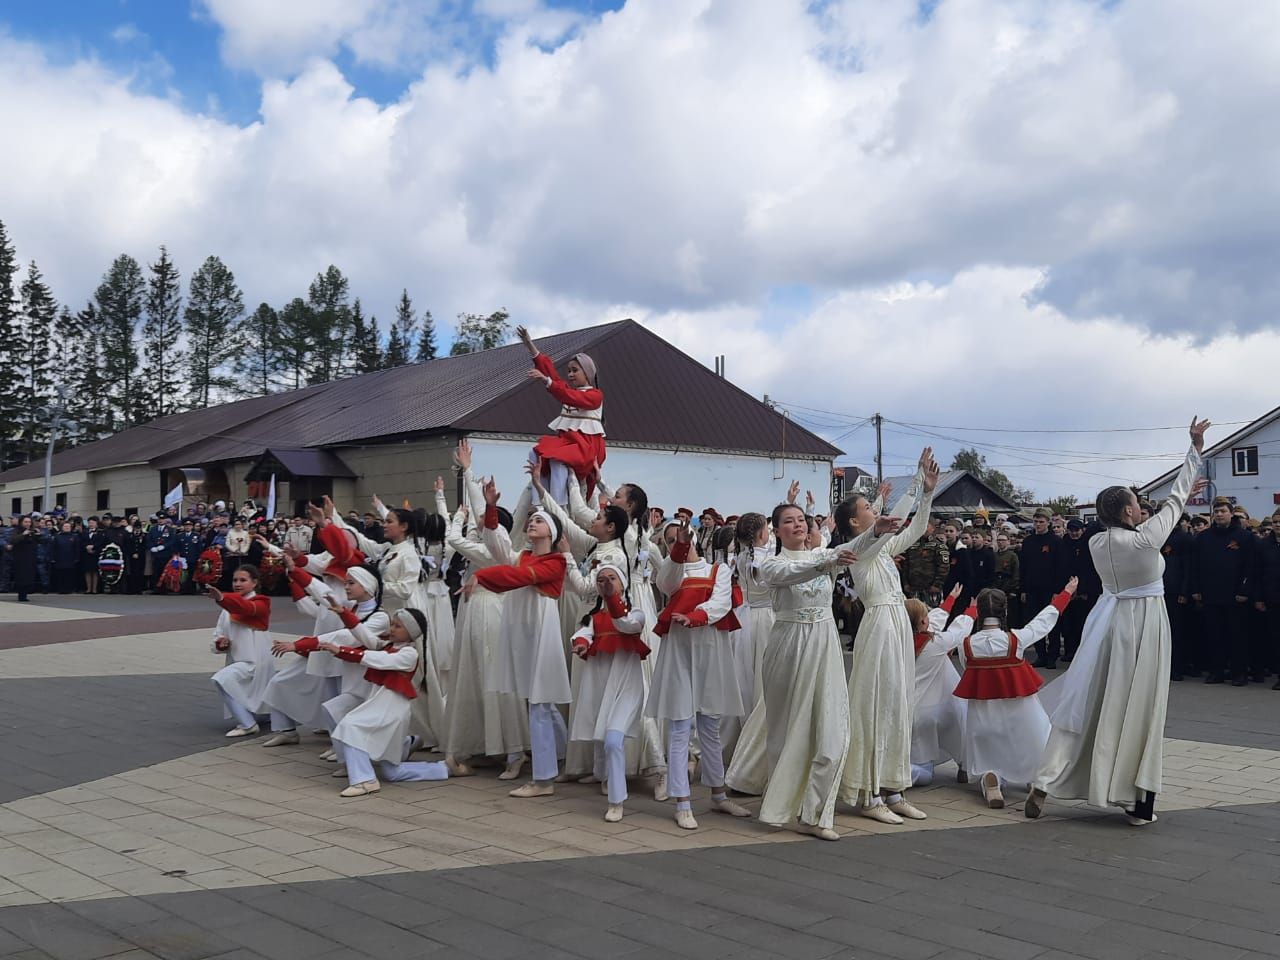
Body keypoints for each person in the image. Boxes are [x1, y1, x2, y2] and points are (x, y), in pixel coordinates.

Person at [1029, 417, 1209, 826]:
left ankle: (1047, 777)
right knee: (1141, 705)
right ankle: (1136, 800)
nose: (1141, 507)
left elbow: (1164, 511)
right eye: (1136, 502)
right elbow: (1176, 501)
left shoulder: (1096, 540)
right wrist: (1194, 450)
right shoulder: (1146, 539)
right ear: (1129, 510)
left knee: (1092, 699)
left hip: (1107, 624)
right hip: (1144, 625)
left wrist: (1170, 503)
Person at [833, 447, 939, 824]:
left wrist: (926, 494)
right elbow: (890, 524)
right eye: (867, 509)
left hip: (896, 624)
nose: (875, 511)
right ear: (855, 523)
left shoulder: (880, 548)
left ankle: (894, 789)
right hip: (878, 625)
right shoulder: (855, 550)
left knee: (897, 705)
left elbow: (912, 529)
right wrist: (914, 483)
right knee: (875, 706)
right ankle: (868, 793)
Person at [751, 503, 866, 840]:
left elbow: (860, 546)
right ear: (776, 530)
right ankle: (781, 805)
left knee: (832, 731)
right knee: (785, 733)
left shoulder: (827, 556)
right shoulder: (771, 564)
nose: (798, 525)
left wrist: (879, 527)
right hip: (787, 647)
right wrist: (827, 559)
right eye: (789, 521)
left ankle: (815, 814)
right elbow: (790, 575)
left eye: (802, 519)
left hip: (825, 643)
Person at [466, 479, 570, 798]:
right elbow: (497, 546)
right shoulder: (522, 554)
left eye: (539, 520)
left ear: (551, 532)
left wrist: (480, 575)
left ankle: (543, 780)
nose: (532, 523)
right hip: (522, 626)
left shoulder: (555, 561)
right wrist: (491, 508)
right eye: (530, 519)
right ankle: (567, 760)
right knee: (539, 701)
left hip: (540, 626)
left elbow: (520, 578)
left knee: (538, 702)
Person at [648, 518, 751, 829]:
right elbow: (667, 583)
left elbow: (721, 603)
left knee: (710, 722)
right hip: (679, 650)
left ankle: (718, 794)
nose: (678, 540)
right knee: (680, 724)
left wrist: (694, 617)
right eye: (670, 539)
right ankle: (682, 800)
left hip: (710, 647)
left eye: (681, 536)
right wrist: (677, 549)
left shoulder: (716, 570)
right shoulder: (671, 570)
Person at [435, 459, 529, 780]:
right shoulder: (489, 544)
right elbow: (481, 508)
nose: (478, 524)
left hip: (491, 613)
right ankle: (486, 743)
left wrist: (462, 517)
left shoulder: (497, 549)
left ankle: (514, 749)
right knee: (473, 676)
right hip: (473, 611)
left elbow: (461, 536)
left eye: (484, 522)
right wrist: (467, 471)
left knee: (494, 676)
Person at [953, 581, 1076, 808]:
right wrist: (1065, 595)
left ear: (980, 612)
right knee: (1032, 741)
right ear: (1005, 611)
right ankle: (1033, 778)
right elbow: (1043, 623)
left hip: (983, 712)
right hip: (1019, 710)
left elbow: (966, 666)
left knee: (988, 747)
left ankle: (992, 778)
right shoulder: (1016, 640)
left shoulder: (966, 645)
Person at [312, 608, 443, 797]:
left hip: (391, 708)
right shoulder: (387, 645)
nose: (392, 628)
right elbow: (363, 634)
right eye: (392, 624)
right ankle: (443, 768)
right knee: (393, 773)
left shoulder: (409, 654)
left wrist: (340, 650)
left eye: (398, 626)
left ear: (412, 631)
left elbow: (379, 659)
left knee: (351, 725)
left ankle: (365, 780)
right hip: (382, 706)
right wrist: (344, 613)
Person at [568, 562, 649, 822]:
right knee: (605, 740)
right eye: (602, 579)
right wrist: (581, 645)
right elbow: (583, 634)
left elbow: (628, 626)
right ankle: (610, 787)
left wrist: (613, 598)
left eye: (612, 578)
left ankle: (616, 801)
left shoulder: (636, 612)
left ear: (623, 583)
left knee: (613, 740)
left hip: (626, 687)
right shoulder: (593, 618)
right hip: (602, 687)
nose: (606, 582)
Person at [516, 324, 605, 506]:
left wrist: (546, 381)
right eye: (569, 371)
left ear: (587, 373)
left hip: (586, 446)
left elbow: (565, 393)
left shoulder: (595, 395)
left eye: (575, 370)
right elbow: (552, 374)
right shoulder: (568, 390)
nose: (570, 374)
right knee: (536, 453)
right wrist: (531, 347)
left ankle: (558, 506)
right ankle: (539, 503)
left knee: (557, 460)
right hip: (569, 442)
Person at [905, 585, 972, 788]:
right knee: (959, 718)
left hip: (906, 710)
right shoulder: (936, 643)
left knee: (918, 754)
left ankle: (904, 769)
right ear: (924, 621)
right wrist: (972, 610)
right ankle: (964, 764)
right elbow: (958, 631)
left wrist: (950, 599)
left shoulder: (897, 641)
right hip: (934, 710)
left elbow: (935, 619)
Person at [1190, 495, 1254, 685]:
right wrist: (1196, 589)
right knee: (1214, 636)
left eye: (1223, 511)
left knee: (1237, 637)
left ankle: (1238, 673)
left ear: (1231, 513)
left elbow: (1250, 567)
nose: (1219, 515)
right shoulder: (1203, 538)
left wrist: (1244, 590)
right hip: (1210, 595)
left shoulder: (1244, 537)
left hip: (1235, 596)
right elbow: (1196, 566)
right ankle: (1216, 671)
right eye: (1216, 511)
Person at [207, 564, 274, 738]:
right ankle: (265, 717)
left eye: (243, 580)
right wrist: (221, 642)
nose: (237, 583)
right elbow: (218, 634)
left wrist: (222, 598)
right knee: (237, 685)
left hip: (256, 660)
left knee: (222, 679)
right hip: (238, 659)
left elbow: (246, 609)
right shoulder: (226, 609)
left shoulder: (261, 602)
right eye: (235, 580)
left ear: (254, 583)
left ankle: (248, 723)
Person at [1020, 507, 1069, 668]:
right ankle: (1040, 654)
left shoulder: (1056, 542)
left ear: (1048, 522)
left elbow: (1061, 568)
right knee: (1035, 622)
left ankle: (1052, 656)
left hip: (1050, 590)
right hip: (1032, 589)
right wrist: (1023, 590)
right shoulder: (1028, 541)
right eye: (1035, 521)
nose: (1038, 524)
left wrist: (1057, 591)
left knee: (1051, 623)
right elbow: (1024, 567)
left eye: (1041, 521)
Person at [1060, 519, 1101, 663]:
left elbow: (1090, 569)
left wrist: (1082, 587)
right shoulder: (1064, 544)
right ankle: (1070, 651)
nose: (1073, 533)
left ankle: (1083, 652)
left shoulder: (1088, 544)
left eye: (1076, 530)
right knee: (1068, 624)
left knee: (1083, 623)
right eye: (1071, 530)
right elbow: (1062, 565)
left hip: (1085, 589)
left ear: (1082, 530)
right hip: (1068, 587)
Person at [6, 515, 37, 601]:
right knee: (21, 577)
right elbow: (13, 540)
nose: (28, 524)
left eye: (29, 522)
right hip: (20, 558)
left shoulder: (32, 531)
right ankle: (21, 595)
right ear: (21, 522)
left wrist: (38, 534)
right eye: (25, 522)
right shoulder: (17, 530)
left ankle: (25, 594)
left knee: (29, 576)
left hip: (30, 557)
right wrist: (23, 534)